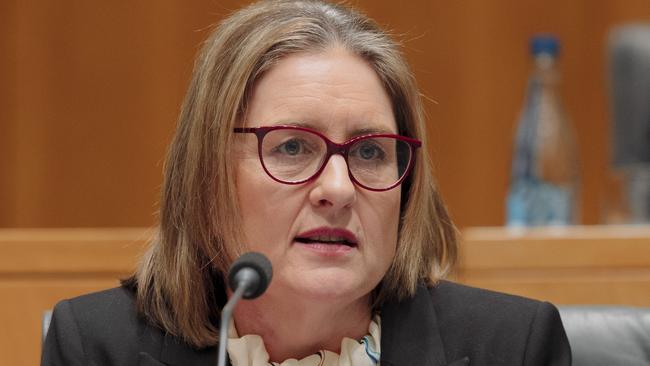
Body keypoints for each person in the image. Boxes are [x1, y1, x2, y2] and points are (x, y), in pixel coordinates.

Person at [42, 1, 571, 365]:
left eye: (369, 152)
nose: (338, 188)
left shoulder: (512, 347)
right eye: (292, 147)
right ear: (206, 174)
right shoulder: (96, 346)